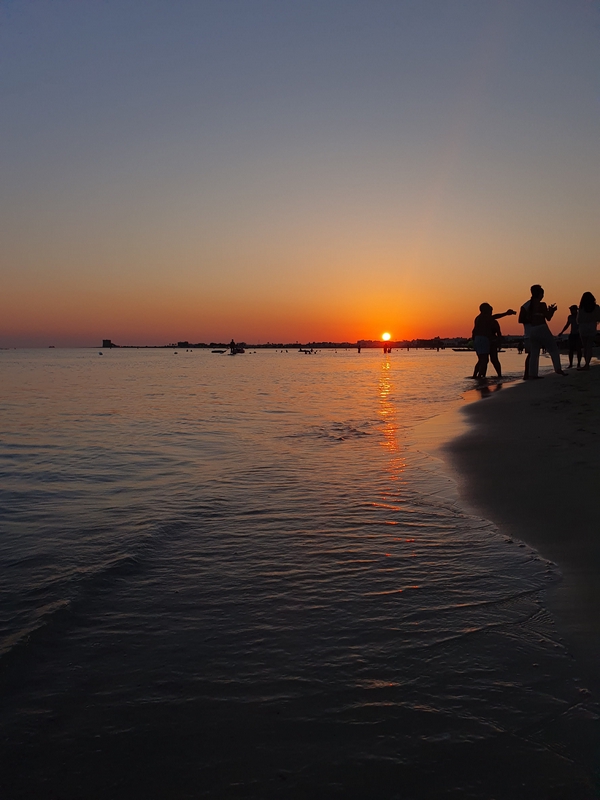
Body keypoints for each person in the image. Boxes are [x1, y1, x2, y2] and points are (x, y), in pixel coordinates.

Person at [526, 285, 566, 378]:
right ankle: (558, 368)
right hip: (542, 328)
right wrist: (552, 310)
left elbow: (528, 318)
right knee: (553, 349)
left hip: (532, 330)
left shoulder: (529, 306)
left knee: (534, 353)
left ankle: (532, 374)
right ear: (540, 294)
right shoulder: (542, 305)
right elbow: (548, 317)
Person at [471, 304, 516, 379]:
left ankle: (480, 376)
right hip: (483, 340)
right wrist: (506, 313)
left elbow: (474, 331)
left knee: (485, 360)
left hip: (486, 341)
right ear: (486, 310)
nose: (491, 312)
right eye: (490, 310)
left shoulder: (482, 319)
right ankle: (479, 376)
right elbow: (494, 317)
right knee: (484, 360)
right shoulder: (483, 318)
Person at [577, 292, 600, 370]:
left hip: (583, 328)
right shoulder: (596, 307)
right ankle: (587, 364)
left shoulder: (581, 308)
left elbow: (578, 320)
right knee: (589, 346)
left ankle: (586, 364)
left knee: (585, 347)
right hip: (592, 327)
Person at [558, 305, 582, 369]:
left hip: (578, 334)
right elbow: (567, 325)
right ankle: (570, 364)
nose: (571, 311)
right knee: (570, 350)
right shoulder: (570, 317)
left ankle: (578, 363)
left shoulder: (579, 316)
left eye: (572, 310)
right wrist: (561, 332)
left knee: (578, 349)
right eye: (570, 310)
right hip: (572, 334)